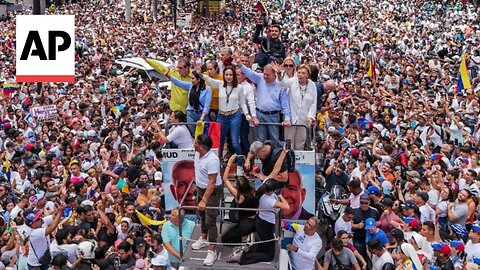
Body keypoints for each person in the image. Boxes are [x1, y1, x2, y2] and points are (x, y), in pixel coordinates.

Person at [228, 178, 289, 264]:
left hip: (263, 223)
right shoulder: (269, 200)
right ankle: (242, 257)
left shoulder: (263, 194)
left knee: (263, 245)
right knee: (269, 255)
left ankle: (244, 250)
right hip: (265, 225)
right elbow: (286, 206)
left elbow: (267, 180)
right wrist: (281, 196)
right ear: (273, 190)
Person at [199, 66, 249, 157]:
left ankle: (240, 162)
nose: (228, 77)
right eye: (226, 74)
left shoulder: (239, 87)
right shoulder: (220, 84)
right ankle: (219, 160)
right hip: (221, 116)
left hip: (234, 116)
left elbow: (243, 103)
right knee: (220, 141)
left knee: (235, 142)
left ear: (234, 76)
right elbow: (209, 79)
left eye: (230, 75)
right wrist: (199, 73)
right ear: (224, 75)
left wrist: (246, 114)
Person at [238, 63, 291, 147]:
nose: (265, 76)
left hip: (273, 116)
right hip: (260, 114)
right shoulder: (260, 78)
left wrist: (287, 118)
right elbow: (249, 73)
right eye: (264, 74)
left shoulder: (280, 85)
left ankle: (275, 158)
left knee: (274, 140)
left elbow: (285, 104)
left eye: (267, 75)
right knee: (260, 140)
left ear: (274, 74)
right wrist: (239, 64)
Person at [190, 134, 223, 266]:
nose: (194, 144)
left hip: (212, 191)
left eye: (196, 143)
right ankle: (203, 237)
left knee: (210, 220)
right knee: (201, 215)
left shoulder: (212, 160)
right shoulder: (198, 154)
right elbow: (197, 171)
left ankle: (212, 249)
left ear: (202, 146)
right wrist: (195, 185)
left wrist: (204, 200)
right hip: (201, 188)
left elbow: (212, 182)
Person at [275, 63, 317, 150]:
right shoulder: (293, 81)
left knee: (300, 144)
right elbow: (282, 84)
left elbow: (313, 102)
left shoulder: (312, 85)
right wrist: (279, 74)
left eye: (303, 73)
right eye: (299, 72)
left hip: (303, 120)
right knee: (288, 144)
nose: (300, 75)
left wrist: (310, 116)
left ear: (308, 75)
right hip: (291, 119)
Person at [222, 154, 258, 247]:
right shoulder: (254, 191)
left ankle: (241, 240)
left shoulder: (239, 195)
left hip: (243, 221)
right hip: (253, 218)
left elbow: (225, 179)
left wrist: (229, 163)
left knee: (225, 239)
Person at [165, 70, 212, 135]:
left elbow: (207, 105)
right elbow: (179, 83)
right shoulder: (190, 85)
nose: (191, 80)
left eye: (193, 78)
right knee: (192, 134)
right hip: (191, 114)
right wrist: (168, 76)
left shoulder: (207, 89)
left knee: (204, 135)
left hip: (202, 114)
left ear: (198, 80)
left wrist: (201, 118)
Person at [26, 202, 66, 270]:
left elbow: (53, 216)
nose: (40, 218)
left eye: (39, 217)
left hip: (44, 259)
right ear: (32, 224)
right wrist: (60, 212)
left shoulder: (41, 223)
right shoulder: (34, 233)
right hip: (35, 264)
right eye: (38, 219)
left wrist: (58, 209)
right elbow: (52, 227)